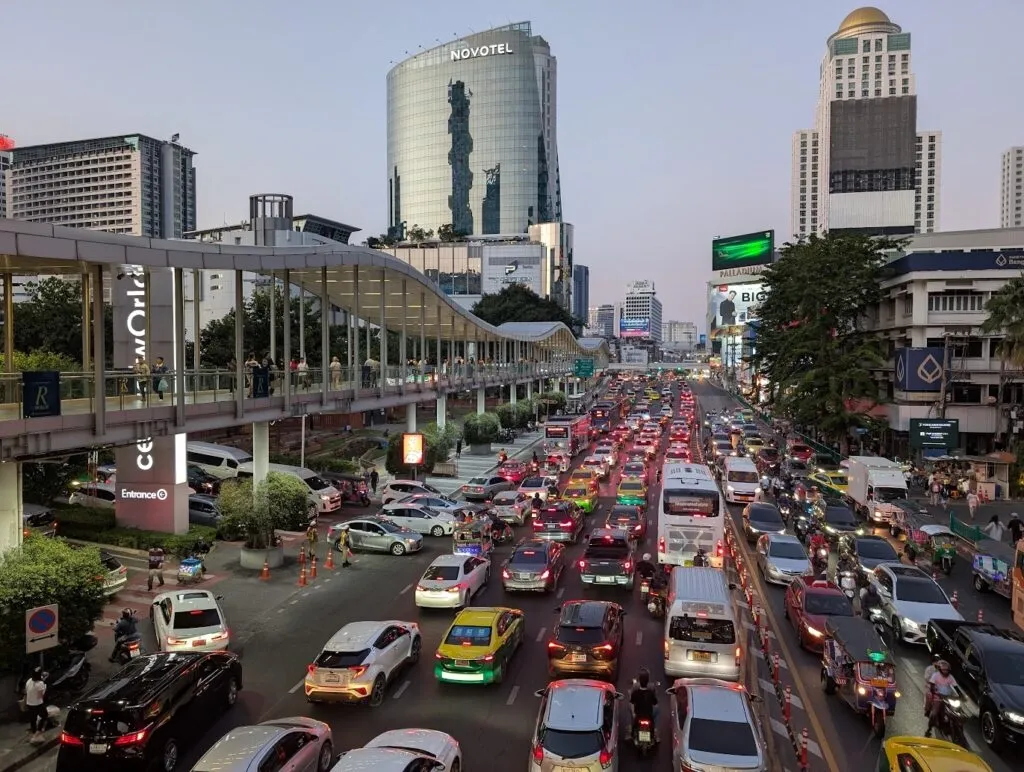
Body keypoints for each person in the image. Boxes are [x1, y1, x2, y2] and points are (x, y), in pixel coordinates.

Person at [925, 660, 958, 737]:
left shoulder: (951, 677)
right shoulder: (936, 675)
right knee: (934, 714)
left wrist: (961, 696)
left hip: (948, 697)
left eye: (947, 670)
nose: (945, 672)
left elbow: (955, 687)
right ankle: (929, 729)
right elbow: (932, 685)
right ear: (940, 670)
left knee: (957, 711)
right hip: (938, 697)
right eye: (944, 670)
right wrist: (934, 692)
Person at [629, 668, 660, 742]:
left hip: (638, 715)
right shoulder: (651, 689)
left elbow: (631, 702)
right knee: (657, 711)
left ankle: (632, 730)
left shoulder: (635, 691)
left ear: (639, 679)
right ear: (648, 679)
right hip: (649, 715)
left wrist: (633, 713)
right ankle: (655, 731)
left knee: (631, 713)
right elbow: (655, 703)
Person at [24, 668, 48, 742]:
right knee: (44, 715)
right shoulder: (40, 684)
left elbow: (26, 691)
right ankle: (39, 730)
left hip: (29, 703)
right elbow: (40, 696)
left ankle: (34, 734)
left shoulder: (29, 681)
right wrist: (44, 687)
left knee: (33, 719)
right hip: (37, 704)